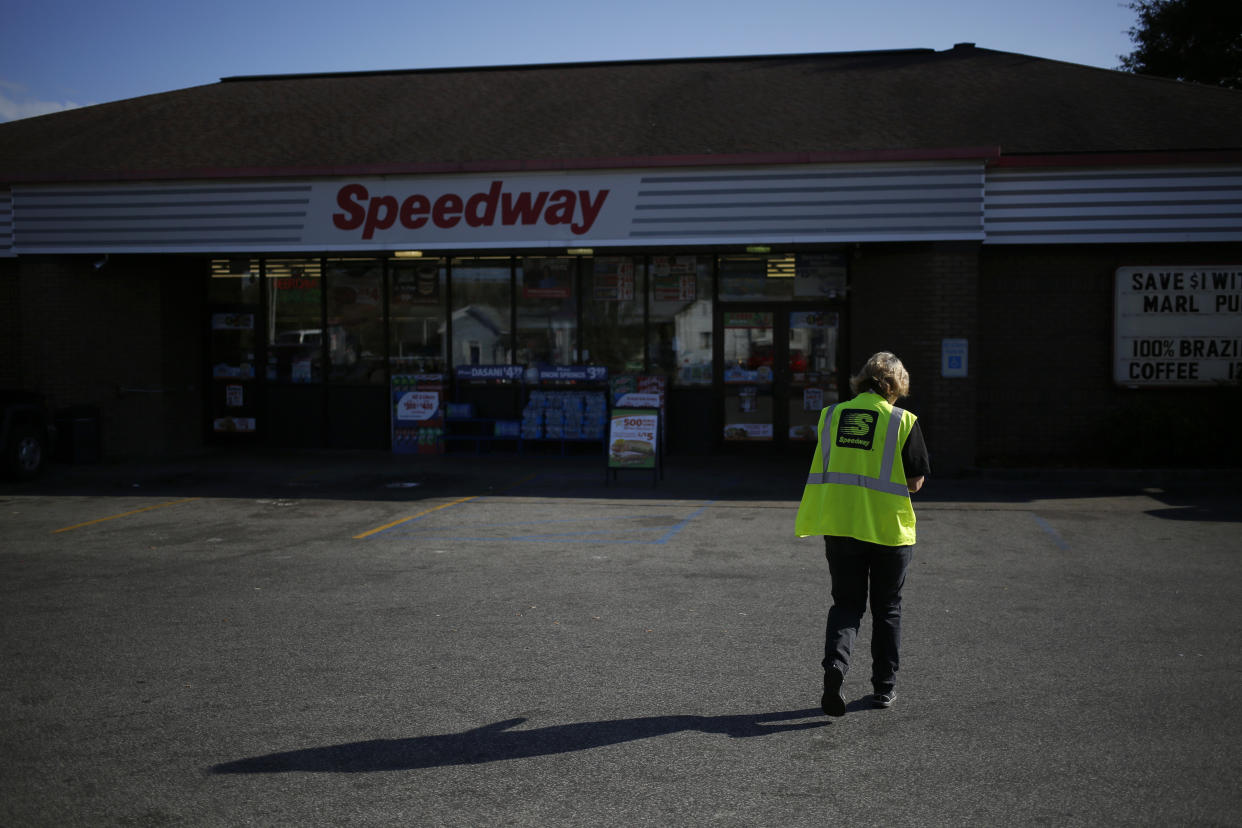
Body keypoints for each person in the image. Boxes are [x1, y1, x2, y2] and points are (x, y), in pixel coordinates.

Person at [795, 351, 931, 716]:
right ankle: (884, 689)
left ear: (862, 380)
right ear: (895, 385)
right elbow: (915, 482)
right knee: (887, 609)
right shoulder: (903, 421)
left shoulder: (831, 416)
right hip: (888, 530)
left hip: (841, 526)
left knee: (846, 605)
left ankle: (835, 668)